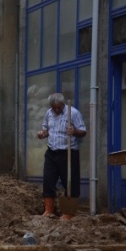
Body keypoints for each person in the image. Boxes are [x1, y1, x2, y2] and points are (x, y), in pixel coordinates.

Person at [37, 92, 87, 220]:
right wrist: (43, 133)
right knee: (48, 180)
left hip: (68, 152)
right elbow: (47, 130)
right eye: (54, 107)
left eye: (58, 107)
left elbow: (83, 131)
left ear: (63, 104)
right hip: (52, 152)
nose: (56, 109)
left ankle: (69, 212)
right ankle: (49, 210)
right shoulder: (49, 113)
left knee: (70, 182)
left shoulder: (73, 113)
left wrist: (74, 131)